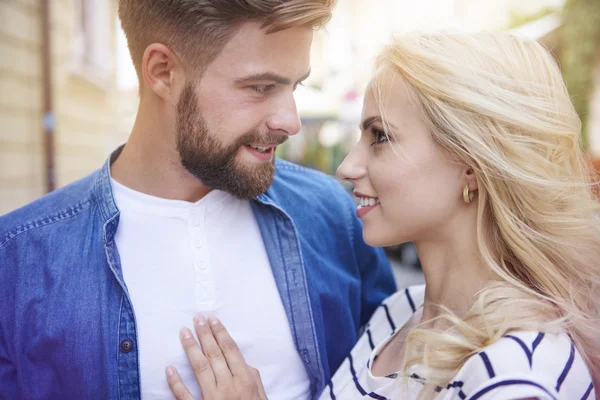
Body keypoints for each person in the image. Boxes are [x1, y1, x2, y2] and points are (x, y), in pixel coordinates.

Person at [167, 32, 600, 399]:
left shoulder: (518, 372)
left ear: (471, 162)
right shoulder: (397, 313)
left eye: (380, 136)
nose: (346, 167)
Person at [0, 1, 397, 399]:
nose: (290, 121)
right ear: (162, 72)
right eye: (261, 87)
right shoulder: (17, 262)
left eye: (295, 86)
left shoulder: (333, 215)